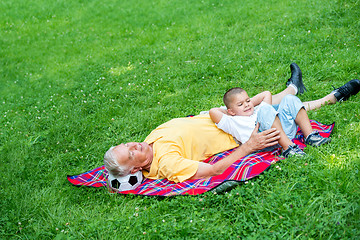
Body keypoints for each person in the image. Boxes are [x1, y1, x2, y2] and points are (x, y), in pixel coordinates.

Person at [104, 63, 360, 183]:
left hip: (221, 117)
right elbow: (213, 171)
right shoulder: (166, 164)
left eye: (128, 144)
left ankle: (293, 89)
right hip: (237, 130)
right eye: (132, 153)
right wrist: (249, 146)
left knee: (269, 103)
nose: (136, 145)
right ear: (136, 170)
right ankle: (330, 98)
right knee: (276, 110)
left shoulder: (148, 143)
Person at [208, 87, 330, 158]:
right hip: (264, 143)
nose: (246, 105)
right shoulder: (232, 121)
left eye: (248, 101)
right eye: (240, 104)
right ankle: (288, 149)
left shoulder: (256, 111)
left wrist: (248, 105)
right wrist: (232, 112)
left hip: (282, 133)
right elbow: (213, 111)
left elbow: (266, 93)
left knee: (289, 99)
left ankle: (311, 136)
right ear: (230, 111)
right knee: (265, 109)